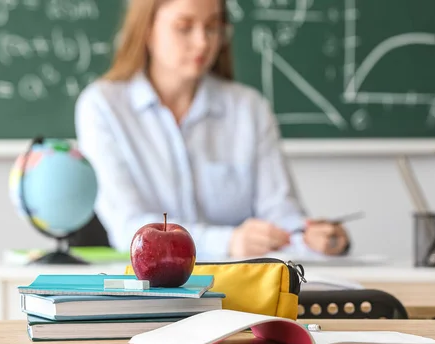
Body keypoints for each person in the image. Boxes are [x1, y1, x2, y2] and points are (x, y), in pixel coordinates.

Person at [75, 0, 350, 260]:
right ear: (146, 29)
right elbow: (128, 228)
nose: (203, 42)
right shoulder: (103, 106)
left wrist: (309, 237)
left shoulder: (249, 108)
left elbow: (280, 212)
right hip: (147, 288)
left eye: (213, 27)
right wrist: (229, 242)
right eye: (184, 27)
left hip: (239, 289)